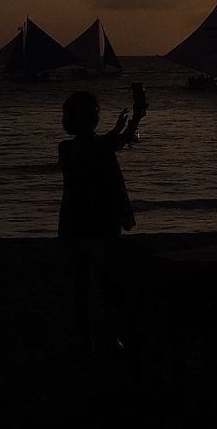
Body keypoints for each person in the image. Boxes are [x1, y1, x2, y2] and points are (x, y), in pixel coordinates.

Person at [58, 90, 145, 356]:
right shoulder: (69, 147)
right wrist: (126, 126)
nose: (96, 116)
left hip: (98, 219)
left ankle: (107, 336)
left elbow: (117, 141)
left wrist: (135, 120)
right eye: (92, 112)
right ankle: (91, 340)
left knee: (106, 280)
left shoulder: (90, 144)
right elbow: (105, 146)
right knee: (86, 284)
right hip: (84, 220)